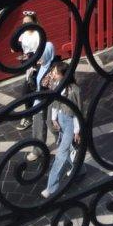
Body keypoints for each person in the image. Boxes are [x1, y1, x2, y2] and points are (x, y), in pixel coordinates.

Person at [41, 60, 82, 198]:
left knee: (61, 154)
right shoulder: (56, 85)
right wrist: (54, 118)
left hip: (70, 123)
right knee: (67, 149)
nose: (53, 74)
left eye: (55, 72)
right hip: (60, 119)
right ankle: (78, 169)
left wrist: (77, 131)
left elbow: (78, 112)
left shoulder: (75, 90)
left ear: (64, 75)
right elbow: (54, 103)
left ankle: (51, 187)